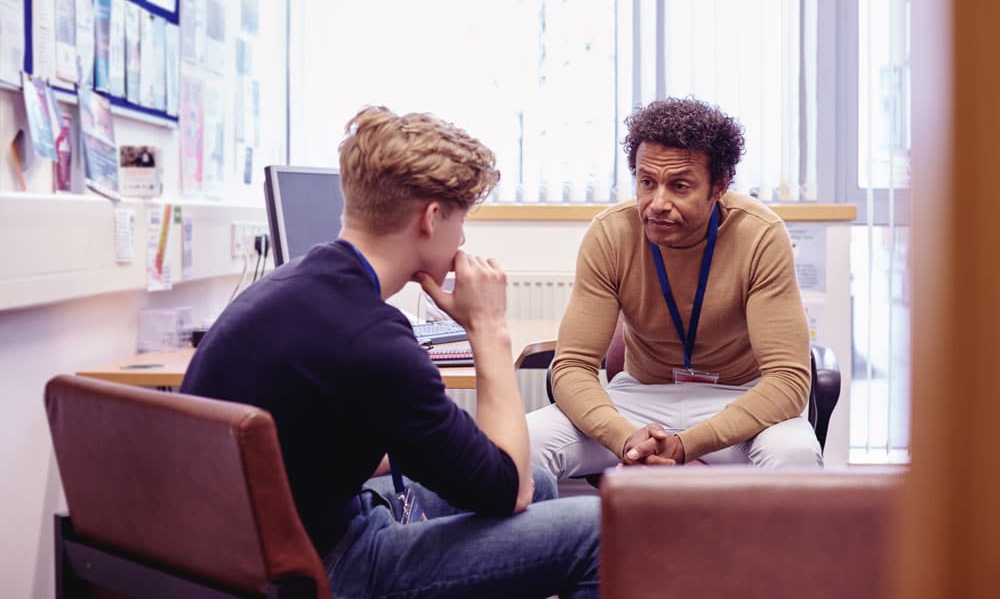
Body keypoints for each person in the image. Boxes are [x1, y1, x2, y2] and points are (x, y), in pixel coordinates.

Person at [181, 105, 599, 598]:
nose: (463, 239)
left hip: (242, 556)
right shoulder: (374, 341)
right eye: (461, 221)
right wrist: (488, 327)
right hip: (326, 569)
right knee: (599, 527)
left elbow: (325, 446)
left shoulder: (290, 286)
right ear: (432, 218)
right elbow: (510, 491)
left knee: (544, 486)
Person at [527, 97, 823, 478]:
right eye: (646, 183)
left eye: (679, 186)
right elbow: (571, 366)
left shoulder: (760, 235)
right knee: (521, 445)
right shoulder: (611, 233)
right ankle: (551, 540)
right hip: (639, 400)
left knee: (795, 455)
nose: (657, 203)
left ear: (719, 186)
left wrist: (687, 445)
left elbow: (788, 380)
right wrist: (626, 438)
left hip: (739, 400)